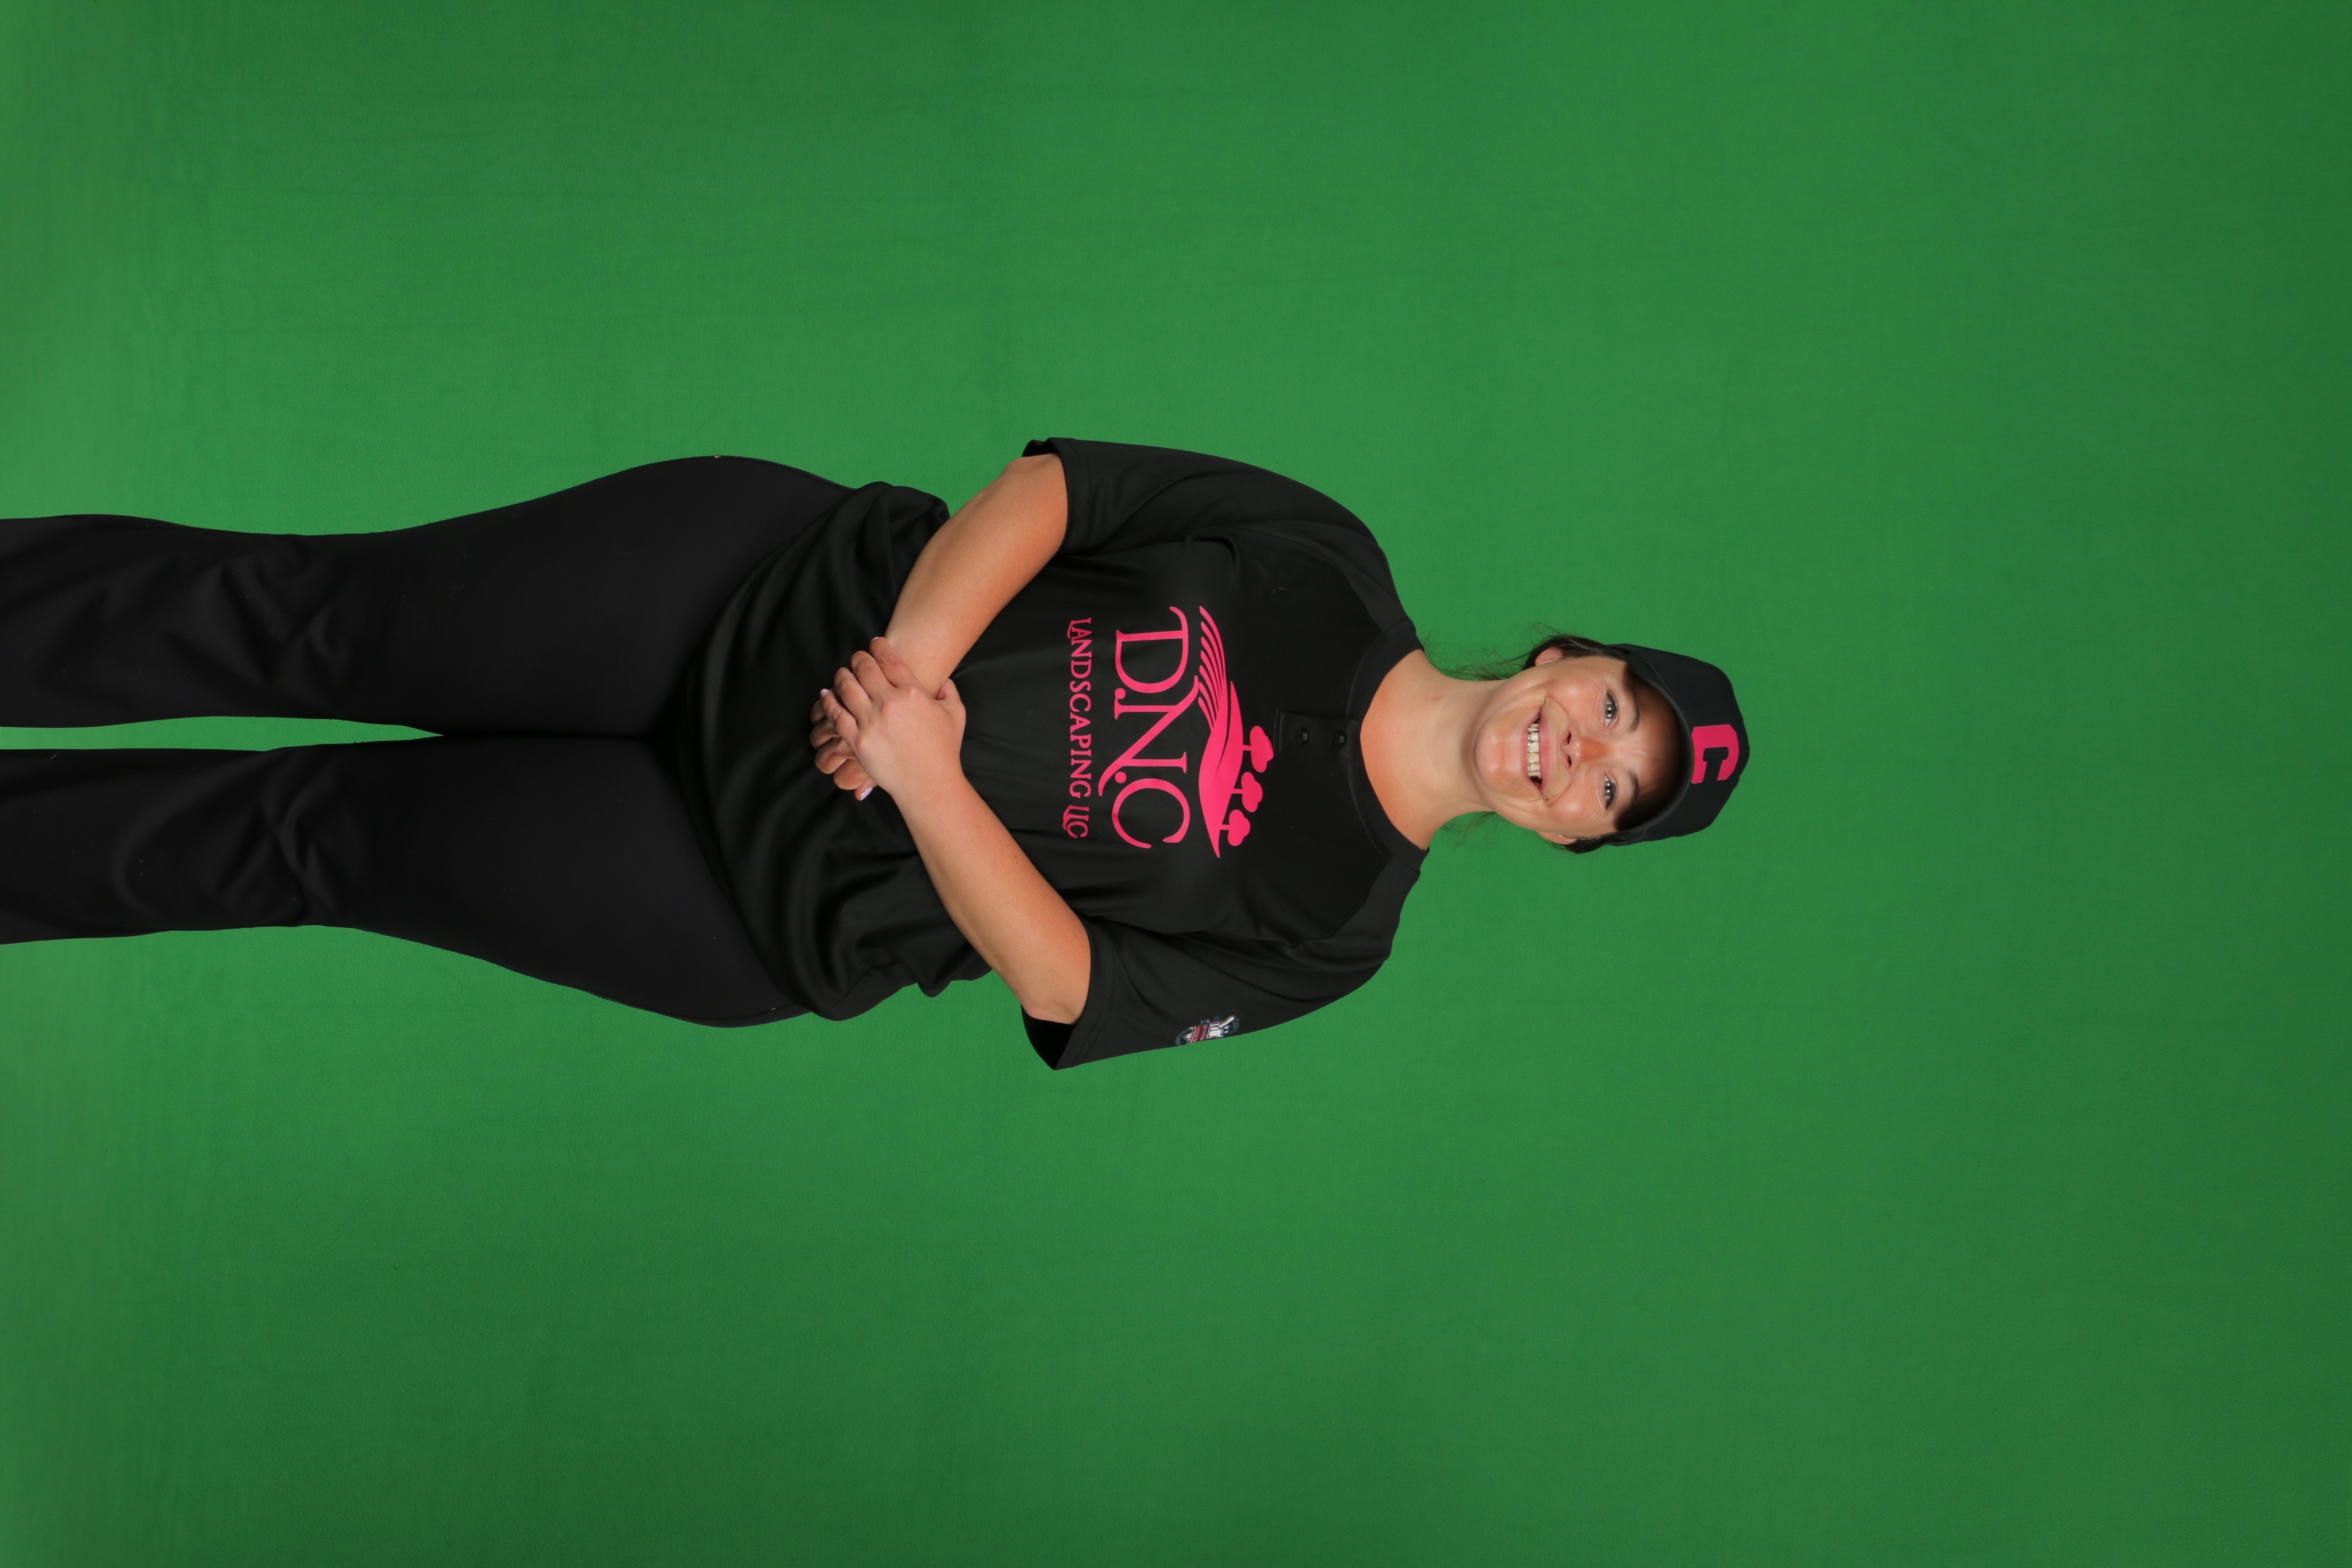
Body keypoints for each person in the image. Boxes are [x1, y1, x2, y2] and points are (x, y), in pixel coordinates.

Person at [0, 440, 1750, 1067]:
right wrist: (906, 668)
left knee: (308, 840)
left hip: (748, 893)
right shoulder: (1325, 561)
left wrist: (923, 774)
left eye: (1613, 791)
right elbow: (1069, 489)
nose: (1577, 754)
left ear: (1576, 840)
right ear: (1572, 655)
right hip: (749, 595)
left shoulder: (1333, 929)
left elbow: (1074, 985)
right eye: (1613, 709)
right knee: (310, 615)